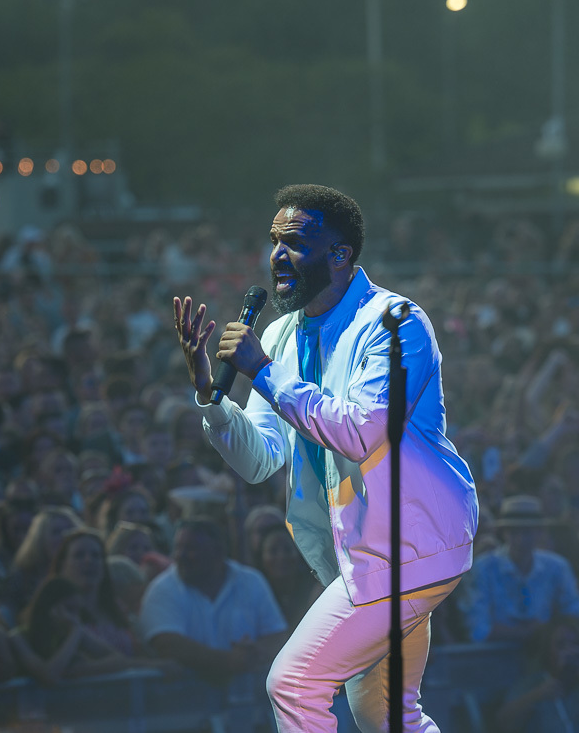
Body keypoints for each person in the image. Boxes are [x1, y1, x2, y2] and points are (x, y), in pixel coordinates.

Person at [174, 186, 478, 732]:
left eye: (293, 242)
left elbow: (361, 433)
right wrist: (210, 397)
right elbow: (261, 459)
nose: (276, 255)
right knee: (385, 714)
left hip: (409, 546)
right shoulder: (281, 334)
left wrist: (263, 372)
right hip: (362, 555)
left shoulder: (394, 323)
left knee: (294, 684)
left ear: (339, 255)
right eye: (273, 242)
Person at [138, 517, 287, 683]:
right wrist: (231, 661)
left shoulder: (251, 581)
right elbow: (168, 645)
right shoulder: (162, 589)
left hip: (244, 700)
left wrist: (255, 653)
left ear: (218, 552)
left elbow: (277, 635)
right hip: (181, 702)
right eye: (178, 548)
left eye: (191, 549)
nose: (181, 556)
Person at [462, 495, 579, 643]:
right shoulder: (483, 568)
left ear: (539, 532)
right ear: (504, 533)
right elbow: (478, 630)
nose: (521, 540)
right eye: (514, 532)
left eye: (527, 532)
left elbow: (575, 614)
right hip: (495, 656)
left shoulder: (557, 567)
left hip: (547, 655)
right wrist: (536, 631)